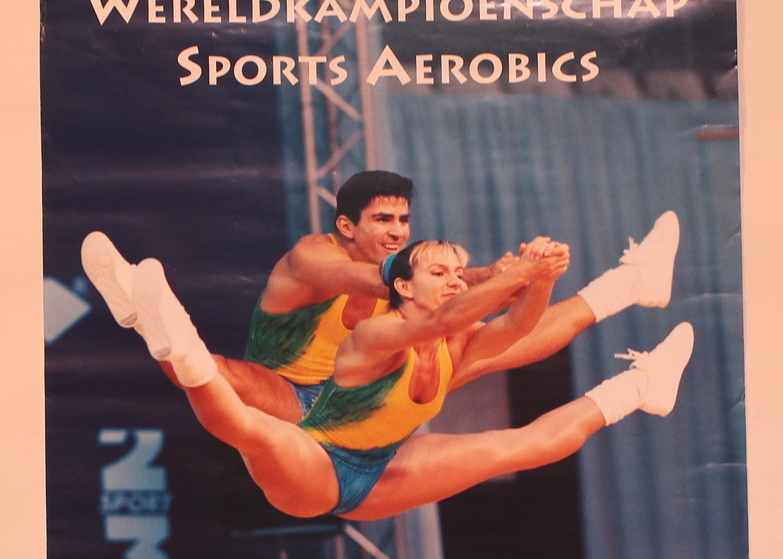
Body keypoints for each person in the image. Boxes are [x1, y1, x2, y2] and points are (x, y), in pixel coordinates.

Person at [93, 237, 694, 522]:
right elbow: (447, 317)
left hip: (382, 462)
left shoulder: (457, 338)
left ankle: (641, 386)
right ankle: (172, 338)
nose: (456, 281)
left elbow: (517, 327)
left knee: (516, 446)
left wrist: (542, 279)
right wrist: (519, 273)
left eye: (459, 274)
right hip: (325, 474)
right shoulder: (376, 336)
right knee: (256, 430)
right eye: (441, 273)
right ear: (402, 287)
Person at [81, 170, 681, 419]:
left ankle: (629, 284)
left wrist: (505, 273)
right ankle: (150, 321)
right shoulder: (312, 258)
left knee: (491, 343)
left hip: (372, 377)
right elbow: (386, 284)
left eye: (402, 220)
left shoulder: (405, 268)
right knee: (221, 373)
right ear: (346, 226)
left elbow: (428, 292)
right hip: (298, 394)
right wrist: (501, 277)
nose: (396, 231)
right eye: (382, 221)